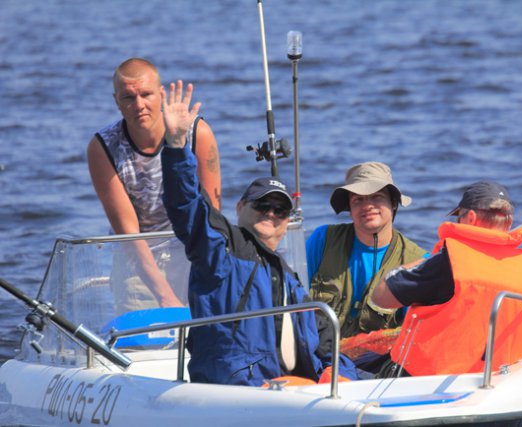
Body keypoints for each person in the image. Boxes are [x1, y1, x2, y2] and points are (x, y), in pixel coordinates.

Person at [160, 81, 356, 386]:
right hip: (237, 389)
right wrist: (176, 147)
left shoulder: (289, 279)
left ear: (288, 220)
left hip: (291, 388)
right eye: (262, 205)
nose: (271, 214)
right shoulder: (221, 248)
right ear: (240, 207)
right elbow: (187, 206)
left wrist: (341, 374)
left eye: (281, 210)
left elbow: (325, 339)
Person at [371, 181, 522, 377]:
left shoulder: (447, 262)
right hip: (497, 375)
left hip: (429, 378)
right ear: (509, 222)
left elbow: (381, 297)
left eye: (459, 217)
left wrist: (424, 262)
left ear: (470, 218)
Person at [87, 58, 221, 315]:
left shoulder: (197, 132)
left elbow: (212, 215)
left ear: (161, 94)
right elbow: (128, 233)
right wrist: (165, 296)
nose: (139, 105)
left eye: (146, 94)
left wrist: (206, 274)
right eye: (128, 97)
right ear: (116, 101)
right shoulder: (102, 147)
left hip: (194, 254)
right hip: (139, 265)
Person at [306, 162, 427, 339]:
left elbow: (416, 332)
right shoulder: (322, 240)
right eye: (358, 199)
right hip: (318, 352)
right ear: (349, 209)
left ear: (393, 203)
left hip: (379, 355)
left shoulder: (417, 261)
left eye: (377, 197)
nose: (368, 205)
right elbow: (294, 300)